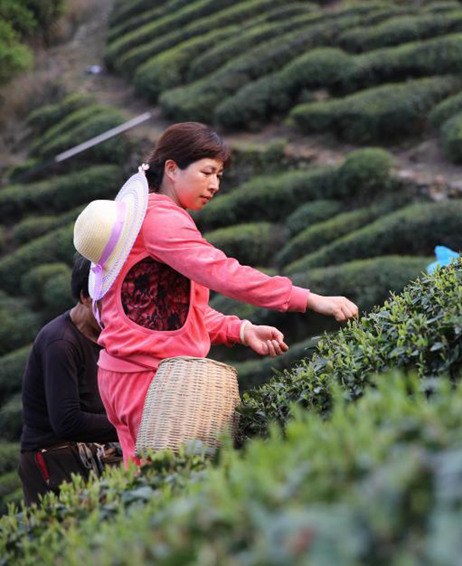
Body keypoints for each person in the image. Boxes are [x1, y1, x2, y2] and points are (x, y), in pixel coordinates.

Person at [73, 122, 359, 465]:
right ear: (172, 169)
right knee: (170, 487)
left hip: (122, 376)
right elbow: (223, 272)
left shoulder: (144, 216)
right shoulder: (162, 219)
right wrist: (308, 299)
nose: (214, 185)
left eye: (219, 175)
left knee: (147, 485)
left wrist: (241, 330)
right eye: (207, 172)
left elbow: (162, 310)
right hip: (150, 381)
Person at [18, 254, 120, 504]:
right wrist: (129, 423)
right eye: (109, 300)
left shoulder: (111, 336)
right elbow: (67, 422)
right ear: (85, 297)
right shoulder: (61, 343)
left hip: (91, 453)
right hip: (54, 460)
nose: (118, 310)